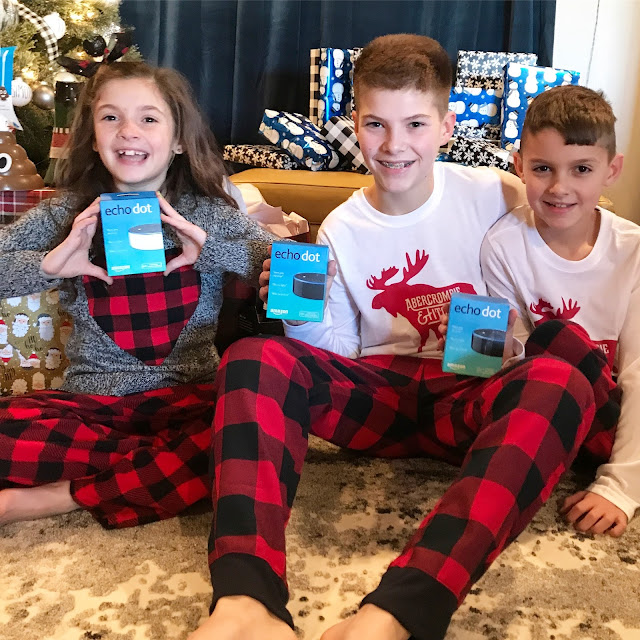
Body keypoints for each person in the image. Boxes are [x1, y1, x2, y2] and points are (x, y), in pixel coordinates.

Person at [190, 35, 620, 640]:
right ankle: (245, 599)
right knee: (253, 356)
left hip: (471, 394)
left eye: (415, 124)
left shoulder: (497, 192)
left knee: (559, 379)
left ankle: (398, 613)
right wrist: (301, 312)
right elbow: (338, 352)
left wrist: (520, 339)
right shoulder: (341, 227)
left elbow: (559, 240)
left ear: (445, 126)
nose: (395, 146)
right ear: (355, 125)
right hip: (379, 395)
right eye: (376, 125)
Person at [0, 61, 274, 529]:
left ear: (179, 139)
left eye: (148, 118)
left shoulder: (207, 213)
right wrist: (48, 265)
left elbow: (280, 268)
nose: (128, 131)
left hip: (190, 397)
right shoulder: (66, 213)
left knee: (252, 429)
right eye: (111, 117)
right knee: (231, 458)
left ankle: (61, 495)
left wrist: (211, 250)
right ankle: (154, 470)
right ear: (92, 137)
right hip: (93, 405)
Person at [480, 85, 640, 537]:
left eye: (581, 169)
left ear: (612, 170)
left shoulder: (632, 250)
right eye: (543, 168)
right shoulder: (503, 245)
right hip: (552, 408)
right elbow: (512, 365)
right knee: (549, 345)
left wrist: (620, 487)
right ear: (519, 166)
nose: (559, 188)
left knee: (557, 337)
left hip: (613, 415)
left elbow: (636, 370)